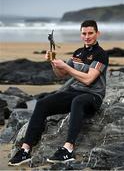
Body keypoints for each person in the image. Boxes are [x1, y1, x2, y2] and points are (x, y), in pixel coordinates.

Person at [8, 20, 109, 166]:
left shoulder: (101, 54)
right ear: (81, 35)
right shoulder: (78, 53)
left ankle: (68, 149)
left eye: (90, 33)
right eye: (84, 33)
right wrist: (53, 62)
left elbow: (88, 80)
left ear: (97, 33)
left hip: (93, 96)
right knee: (42, 103)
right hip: (74, 91)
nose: (87, 36)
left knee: (78, 101)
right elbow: (60, 75)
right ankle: (25, 150)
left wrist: (65, 67)